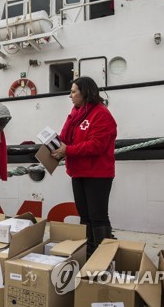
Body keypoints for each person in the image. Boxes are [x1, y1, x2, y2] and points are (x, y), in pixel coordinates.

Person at [51, 76, 117, 258]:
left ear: (85, 92)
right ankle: (90, 252)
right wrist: (54, 144)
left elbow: (97, 145)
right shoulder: (75, 113)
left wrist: (68, 150)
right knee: (85, 215)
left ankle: (102, 255)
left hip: (98, 174)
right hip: (78, 171)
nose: (70, 96)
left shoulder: (101, 114)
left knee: (98, 216)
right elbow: (65, 137)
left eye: (73, 92)